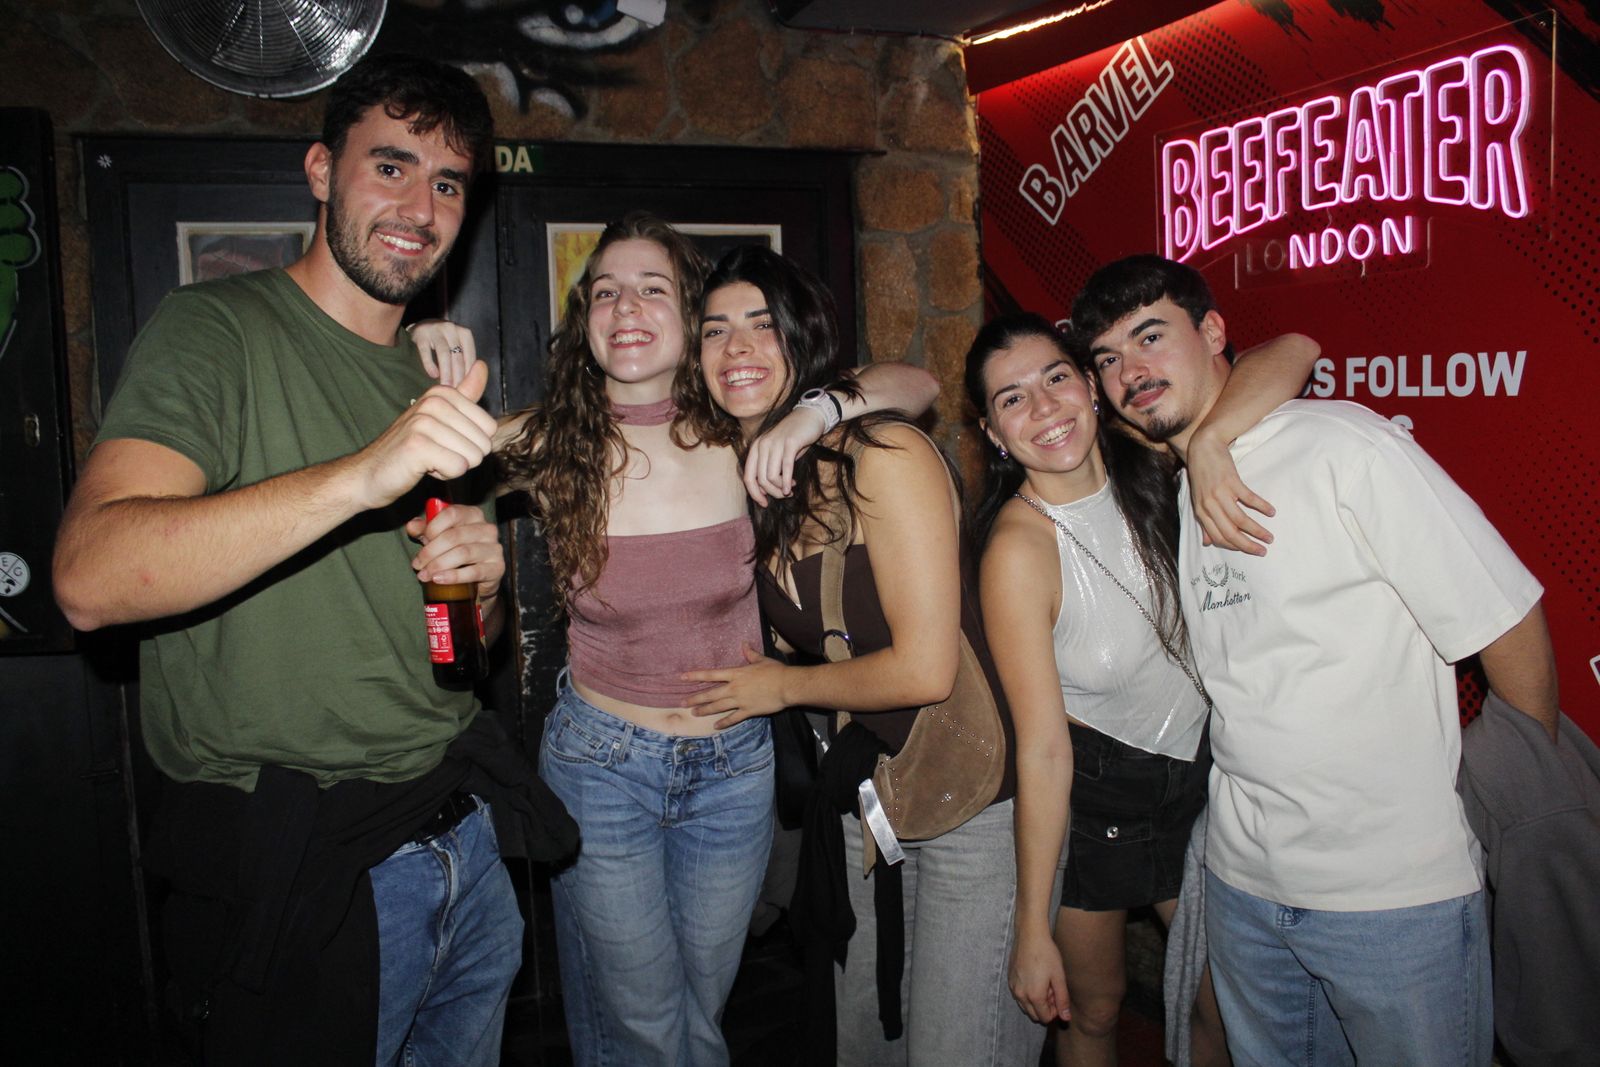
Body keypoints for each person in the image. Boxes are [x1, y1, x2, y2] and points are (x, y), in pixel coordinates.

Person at [51, 54, 576, 1066]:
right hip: (311, 874)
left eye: (449, 182)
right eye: (390, 166)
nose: (419, 205)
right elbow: (87, 576)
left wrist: (487, 586)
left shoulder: (428, 378)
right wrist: (364, 472)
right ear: (321, 171)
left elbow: (455, 648)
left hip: (463, 842)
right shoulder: (214, 330)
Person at [415, 215, 937, 1067]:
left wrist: (810, 415)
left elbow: (914, 385)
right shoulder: (553, 443)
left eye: (653, 287)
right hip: (601, 767)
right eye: (606, 289)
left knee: (698, 1002)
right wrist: (413, 348)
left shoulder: (742, 434)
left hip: (733, 774)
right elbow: (412, 459)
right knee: (655, 1023)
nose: (627, 305)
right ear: (584, 319)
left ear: (687, 316)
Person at [1075, 253, 1560, 1067]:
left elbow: (1508, 624)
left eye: (1150, 336)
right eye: (1110, 358)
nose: (1133, 371)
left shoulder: (1342, 449)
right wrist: (1211, 441)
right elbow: (1285, 351)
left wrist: (1520, 801)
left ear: (1215, 331)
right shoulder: (1172, 471)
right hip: (1245, 890)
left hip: (1392, 901)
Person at [681, 245, 1039, 1066]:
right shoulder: (742, 479)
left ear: (800, 340)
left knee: (957, 1049)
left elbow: (925, 670)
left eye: (762, 326)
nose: (736, 348)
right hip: (866, 793)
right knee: (864, 1043)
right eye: (715, 330)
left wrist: (780, 687)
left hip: (974, 792)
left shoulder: (878, 457)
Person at [967, 313, 1316, 1067]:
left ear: (1092, 387)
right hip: (1100, 806)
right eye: (1011, 399)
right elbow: (1044, 748)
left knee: (1223, 1008)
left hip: (1204, 783)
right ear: (994, 432)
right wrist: (1032, 927)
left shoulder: (1156, 460)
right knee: (1093, 1010)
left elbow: (1292, 348)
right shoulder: (1018, 551)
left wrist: (1216, 444)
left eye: (1056, 377)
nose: (1045, 408)